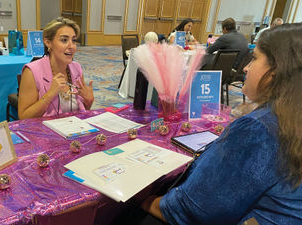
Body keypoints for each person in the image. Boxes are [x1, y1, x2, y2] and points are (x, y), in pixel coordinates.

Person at [129, 23, 302, 225]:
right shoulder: (289, 119)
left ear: (276, 70)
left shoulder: (258, 129)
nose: (245, 67)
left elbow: (197, 208)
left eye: (254, 58)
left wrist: (144, 200)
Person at [18, 17, 94, 118]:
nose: (72, 46)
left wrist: (88, 101)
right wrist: (50, 94)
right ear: (48, 43)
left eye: (74, 40)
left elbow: (82, 111)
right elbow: (24, 117)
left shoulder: (76, 68)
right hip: (44, 131)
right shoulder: (32, 71)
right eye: (64, 40)